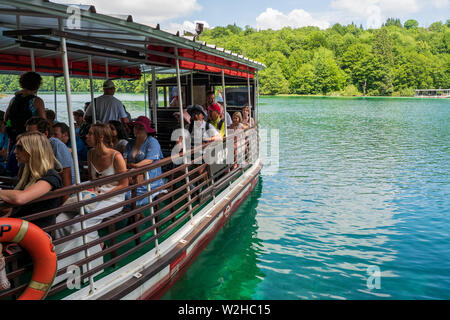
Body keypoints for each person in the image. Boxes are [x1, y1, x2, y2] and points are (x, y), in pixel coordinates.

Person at [0, 131, 62, 229]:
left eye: (20, 148)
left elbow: (20, 198)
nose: (15, 151)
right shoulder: (29, 176)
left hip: (33, 232)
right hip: (22, 226)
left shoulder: (50, 177)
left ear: (34, 150)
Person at [123, 116, 166, 206]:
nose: (137, 130)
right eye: (136, 127)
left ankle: (136, 213)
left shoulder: (152, 142)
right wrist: (126, 172)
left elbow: (149, 160)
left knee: (127, 196)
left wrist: (133, 167)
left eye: (141, 128)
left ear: (146, 130)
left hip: (149, 180)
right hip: (132, 177)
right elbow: (124, 161)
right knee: (117, 192)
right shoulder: (130, 143)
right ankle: (136, 214)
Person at [25, 117, 74, 195]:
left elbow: (67, 183)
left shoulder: (56, 146)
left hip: (57, 193)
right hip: (39, 191)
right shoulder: (30, 148)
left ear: (46, 134)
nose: (28, 138)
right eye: (27, 134)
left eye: (33, 134)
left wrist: (61, 206)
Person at [4, 71, 46, 149]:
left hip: (14, 137)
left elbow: (6, 118)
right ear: (37, 85)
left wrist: (10, 127)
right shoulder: (37, 101)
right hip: (30, 138)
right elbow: (43, 122)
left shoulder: (14, 99)